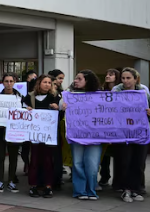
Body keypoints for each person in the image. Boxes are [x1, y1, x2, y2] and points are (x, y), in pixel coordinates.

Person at [63, 70, 105, 200]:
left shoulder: (100, 96)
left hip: (95, 137)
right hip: (77, 136)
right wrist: (62, 107)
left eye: (79, 79)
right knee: (77, 163)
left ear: (88, 81)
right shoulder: (70, 96)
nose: (75, 81)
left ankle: (91, 191)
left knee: (92, 165)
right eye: (75, 78)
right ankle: (80, 191)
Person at [112, 67, 150, 202]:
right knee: (125, 161)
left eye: (128, 78)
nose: (125, 81)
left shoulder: (144, 93)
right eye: (123, 78)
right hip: (123, 134)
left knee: (138, 162)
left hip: (141, 133)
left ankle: (136, 189)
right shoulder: (116, 92)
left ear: (136, 79)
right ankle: (126, 190)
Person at [23, 75, 60, 198]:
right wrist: (26, 109)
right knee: (34, 159)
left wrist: (57, 108)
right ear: (39, 83)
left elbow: (62, 112)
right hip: (34, 135)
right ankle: (33, 185)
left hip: (49, 135)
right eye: (45, 82)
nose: (47, 84)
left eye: (49, 82)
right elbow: (21, 110)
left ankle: (48, 186)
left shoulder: (55, 97)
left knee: (48, 160)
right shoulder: (30, 96)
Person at [0, 73, 23, 193]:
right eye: (6, 81)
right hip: (0, 131)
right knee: (0, 156)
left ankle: (11, 181)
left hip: (14, 131)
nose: (9, 83)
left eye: (11, 81)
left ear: (14, 82)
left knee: (13, 157)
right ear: (2, 83)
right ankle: (0, 180)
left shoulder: (20, 97)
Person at [99, 68, 122, 188]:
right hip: (104, 125)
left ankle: (118, 181)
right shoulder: (101, 91)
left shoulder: (120, 91)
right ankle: (104, 177)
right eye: (107, 74)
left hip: (117, 126)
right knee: (105, 155)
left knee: (118, 155)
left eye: (111, 75)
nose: (107, 76)